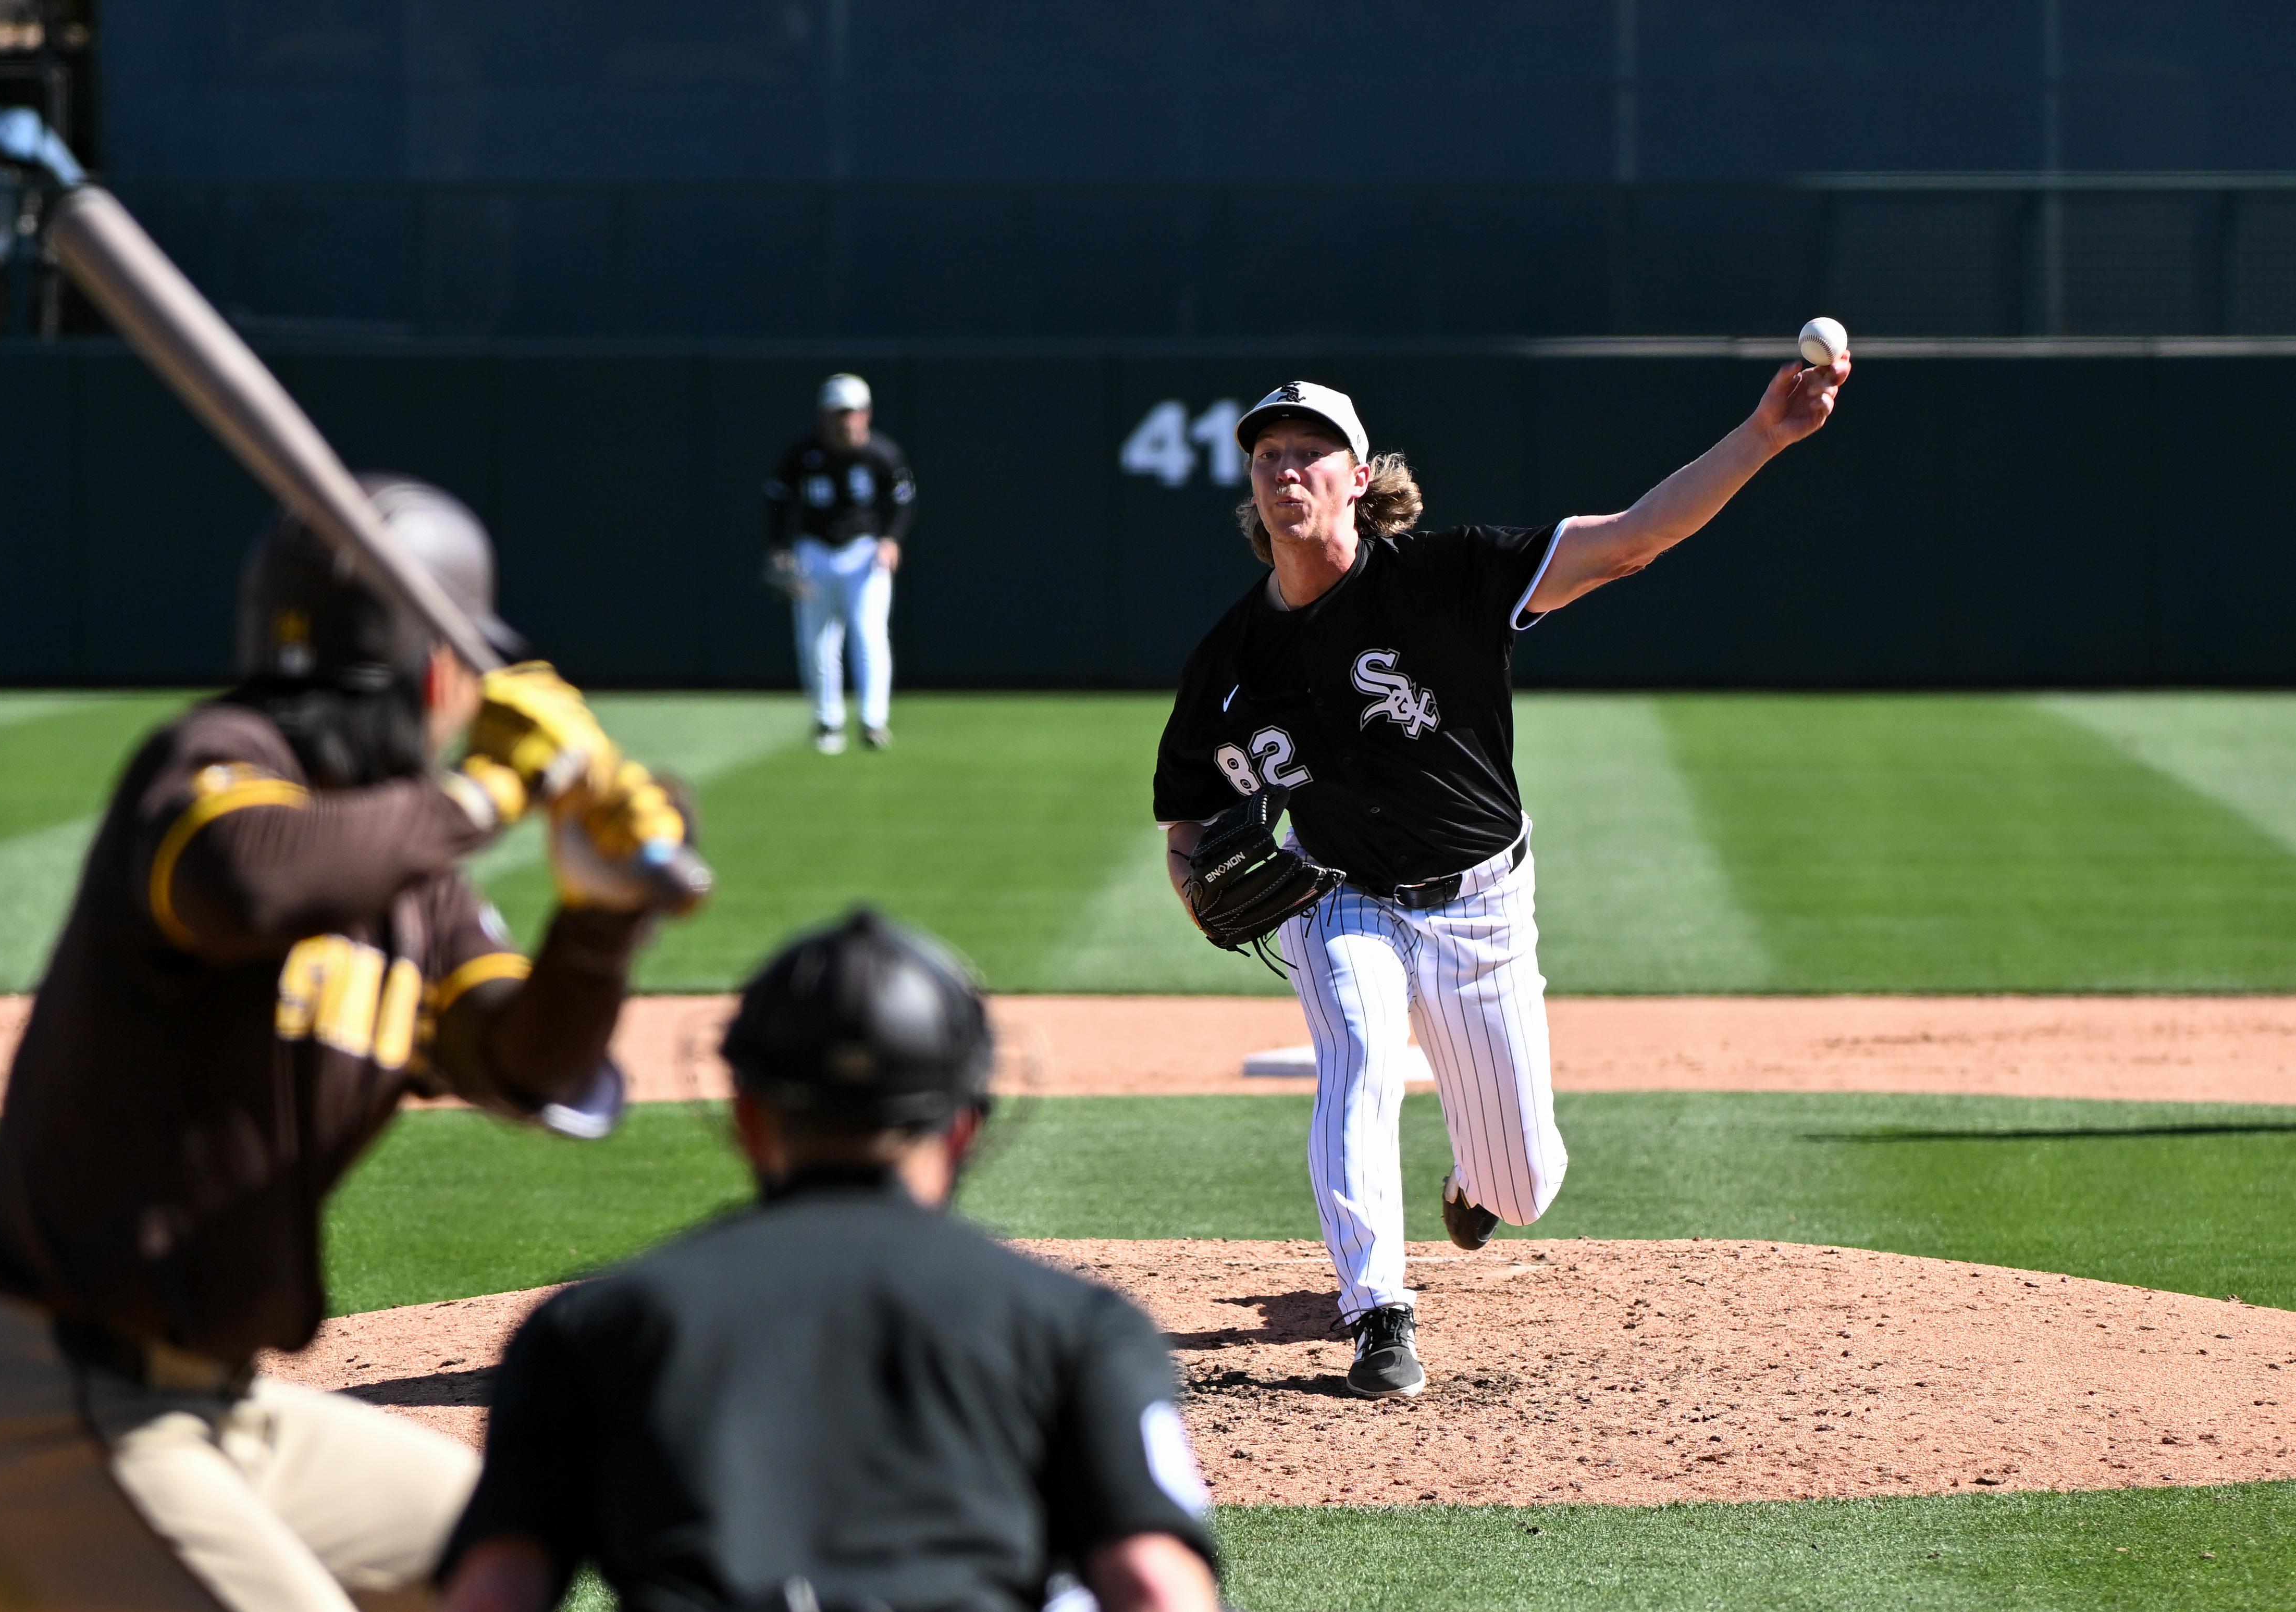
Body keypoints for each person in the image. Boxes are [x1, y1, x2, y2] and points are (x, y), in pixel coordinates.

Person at [0, 477, 706, 1612]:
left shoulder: (413, 892)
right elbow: (238, 877)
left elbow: (531, 1069)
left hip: (218, 1414)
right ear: (436, 672)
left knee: (501, 1544)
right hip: (44, 1414)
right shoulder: (209, 764)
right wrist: (485, 793)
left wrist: (601, 916)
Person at [1154, 362, 1849, 1398]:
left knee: (1523, 1185)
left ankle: (1471, 1181)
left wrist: (1762, 435)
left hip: (1480, 902)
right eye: (1268, 455)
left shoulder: (1445, 579)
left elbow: (1631, 539)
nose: (1287, 468)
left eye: (1308, 452)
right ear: (1251, 485)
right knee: (1356, 1055)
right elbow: (1184, 817)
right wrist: (1193, 883)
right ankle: (1378, 1312)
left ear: (1355, 477)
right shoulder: (1228, 658)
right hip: (1338, 895)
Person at [437, 909, 1221, 1612]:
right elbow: (1154, 1584)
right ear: (962, 1127)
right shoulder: (1078, 1324)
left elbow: (495, 1591)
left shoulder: (589, 1324)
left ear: (748, 1116)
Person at [762, 373, 916, 753]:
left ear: (866, 414)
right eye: (837, 413)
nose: (845, 421)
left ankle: (873, 720)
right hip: (814, 551)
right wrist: (779, 547)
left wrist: (891, 540)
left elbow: (903, 499)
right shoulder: (803, 454)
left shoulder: (882, 454)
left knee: (869, 634)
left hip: (864, 552)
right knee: (817, 641)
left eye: (852, 413)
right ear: (824, 415)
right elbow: (776, 500)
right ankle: (828, 721)